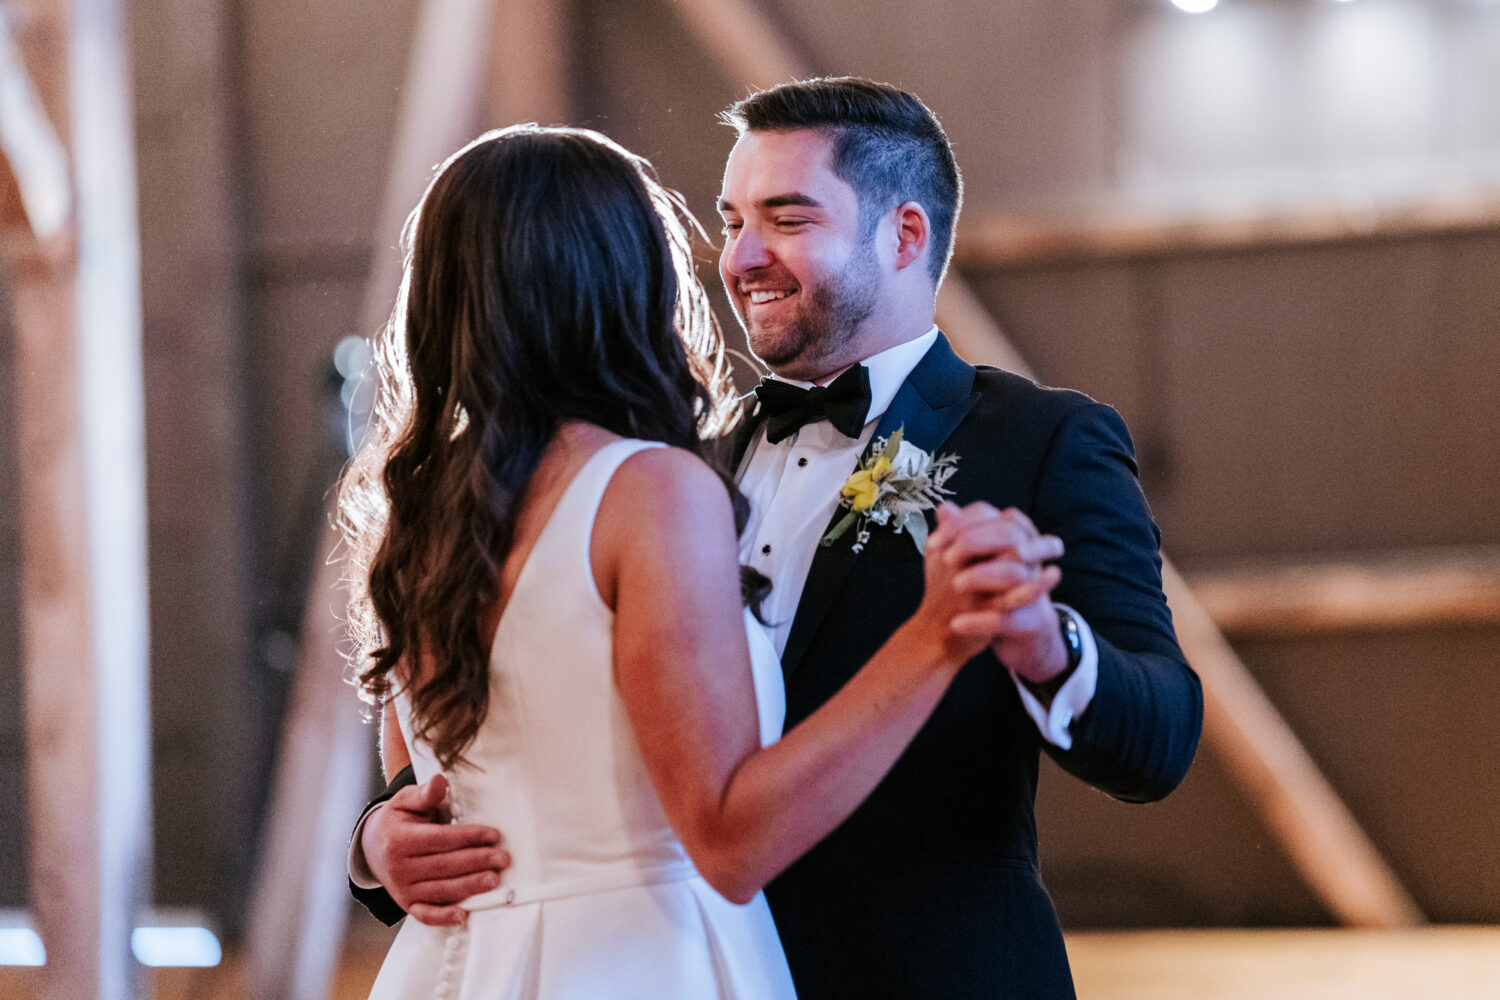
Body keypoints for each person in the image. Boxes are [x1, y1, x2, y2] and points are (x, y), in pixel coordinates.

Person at [352, 80, 1205, 998]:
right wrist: (376, 842)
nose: (741, 257)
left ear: (905, 235)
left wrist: (1047, 649)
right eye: (730, 221)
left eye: (787, 219)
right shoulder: (664, 464)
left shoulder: (1038, 441)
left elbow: (1159, 734)